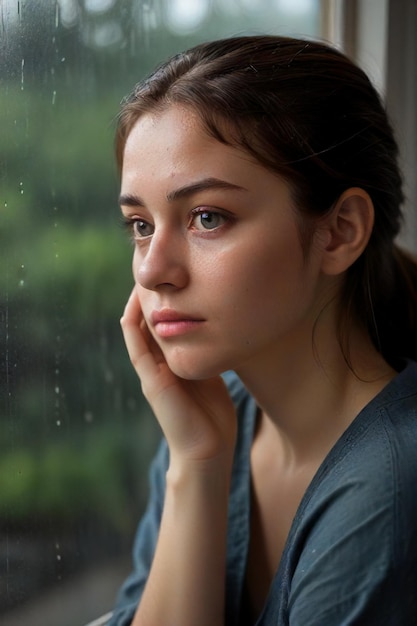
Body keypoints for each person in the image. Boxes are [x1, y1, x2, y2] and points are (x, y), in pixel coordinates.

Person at [108, 35, 417, 626]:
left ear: (340, 231)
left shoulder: (392, 495)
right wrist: (198, 464)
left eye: (207, 217)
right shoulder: (212, 421)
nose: (151, 269)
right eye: (141, 225)